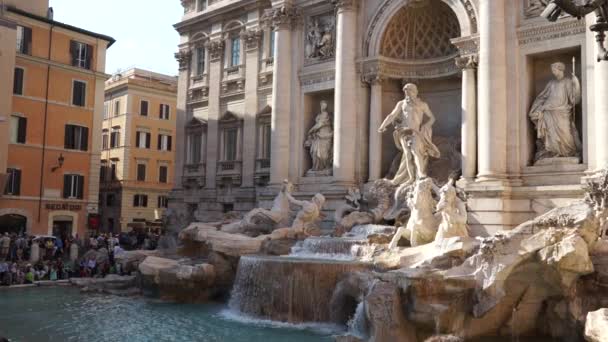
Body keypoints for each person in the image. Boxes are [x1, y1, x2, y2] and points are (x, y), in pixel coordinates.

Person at [378, 83, 440, 185]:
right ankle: (411, 178)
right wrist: (383, 125)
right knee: (407, 155)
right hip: (404, 132)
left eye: (409, 91)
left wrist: (426, 126)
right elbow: (392, 115)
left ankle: (421, 175)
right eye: (406, 92)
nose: (407, 94)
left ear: (415, 92)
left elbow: (432, 118)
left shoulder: (422, 104)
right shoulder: (401, 104)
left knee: (416, 152)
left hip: (415, 132)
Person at [529, 61, 581, 162]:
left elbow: (574, 100)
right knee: (550, 135)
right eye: (552, 70)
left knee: (566, 134)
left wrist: (576, 84)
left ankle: (568, 152)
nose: (553, 72)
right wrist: (539, 108)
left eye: (554, 69)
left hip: (562, 112)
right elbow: (543, 96)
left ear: (560, 69)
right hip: (549, 112)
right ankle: (553, 152)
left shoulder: (567, 82)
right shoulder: (551, 83)